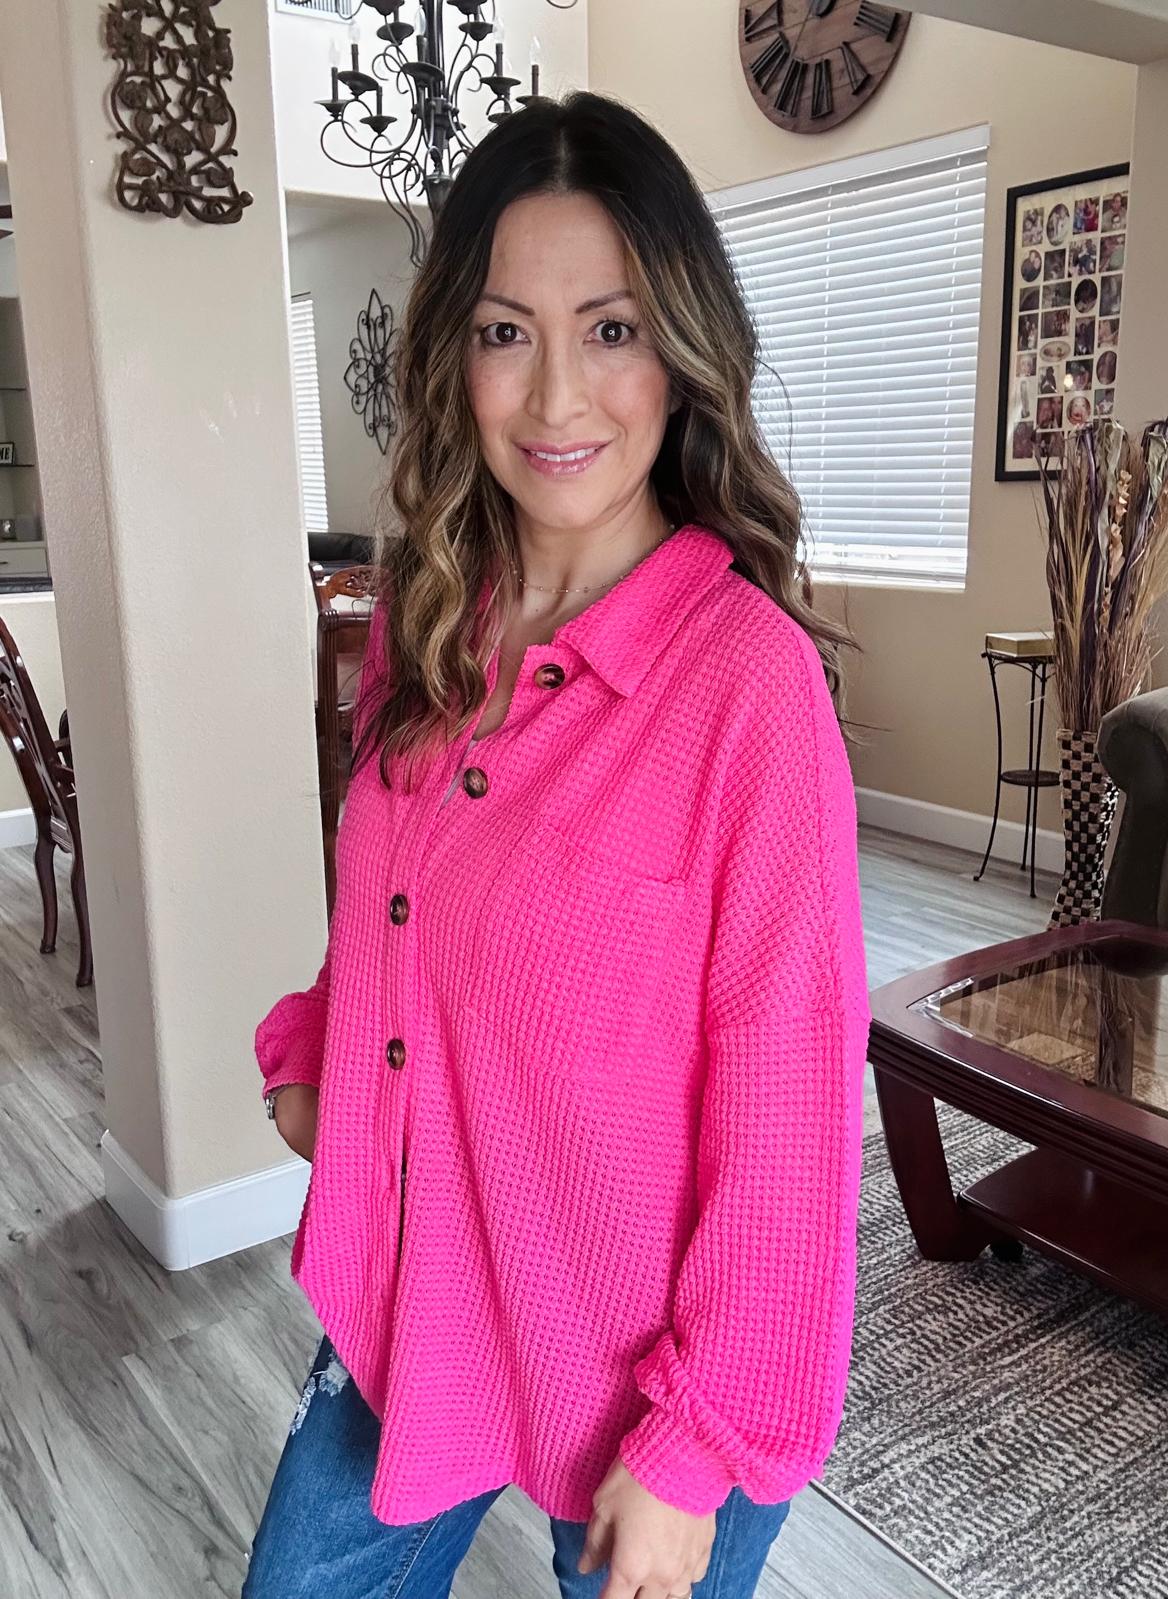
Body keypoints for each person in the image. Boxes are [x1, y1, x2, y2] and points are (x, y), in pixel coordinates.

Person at [243, 89, 870, 1599]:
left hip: (653, 1387)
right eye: (506, 332)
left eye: (612, 329)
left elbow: (790, 1117)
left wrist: (696, 1444)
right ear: (454, 356)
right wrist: (321, 1050)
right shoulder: (426, 623)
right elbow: (395, 910)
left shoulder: (746, 687)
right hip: (423, 1298)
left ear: (683, 352)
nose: (555, 398)